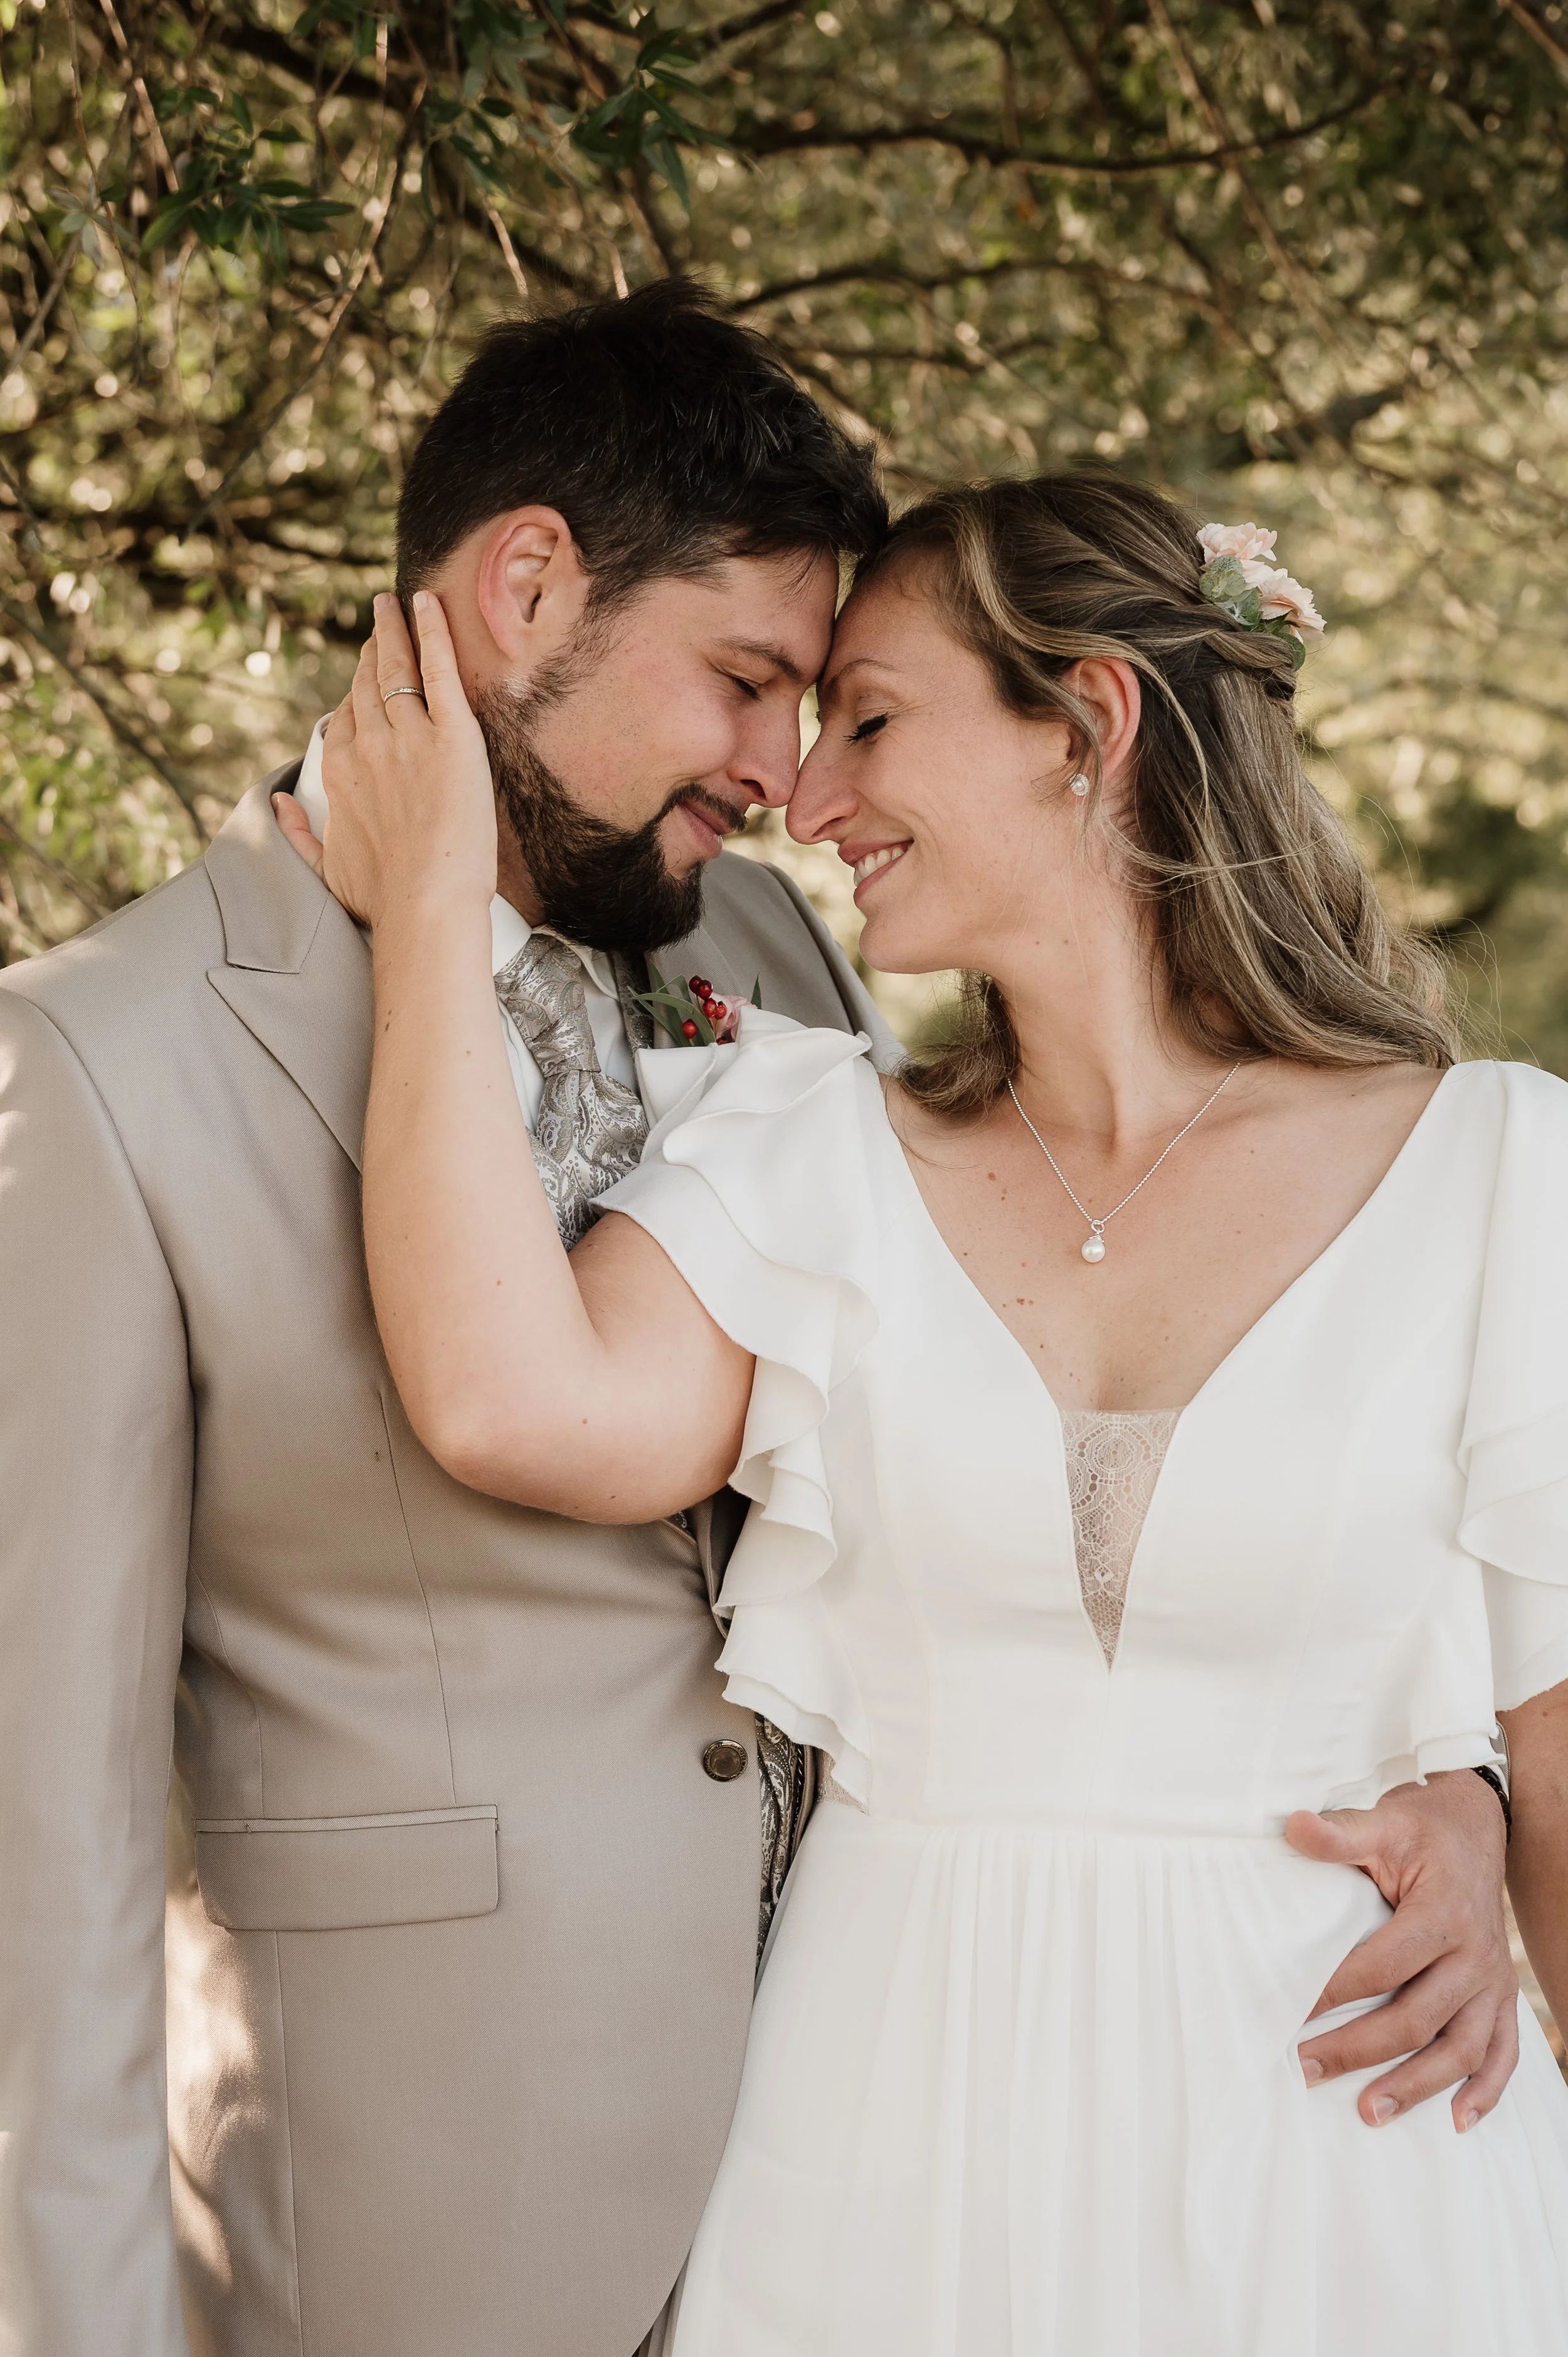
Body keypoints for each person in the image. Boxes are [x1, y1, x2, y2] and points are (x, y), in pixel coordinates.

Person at [308, 469, 1568, 2354]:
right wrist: (425, 901)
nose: (804, 806)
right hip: (880, 2161)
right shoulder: (808, 1148)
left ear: (1090, 723)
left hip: (1348, 2157)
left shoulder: (1495, 1175)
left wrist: (1464, 1797)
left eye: (871, 723)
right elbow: (509, 1400)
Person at [0, 283, 898, 2357]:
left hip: (857, 2189)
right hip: (422, 2235)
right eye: (746, 678)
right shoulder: (102, 1068)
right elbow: (43, 1865)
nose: (781, 774)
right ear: (524, 587)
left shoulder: (758, 953)